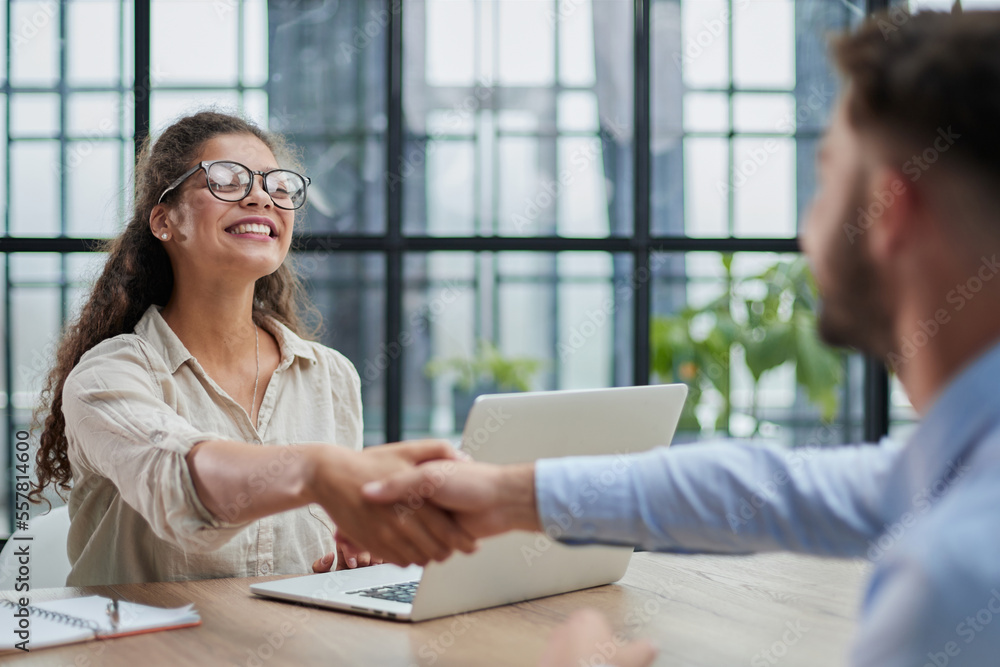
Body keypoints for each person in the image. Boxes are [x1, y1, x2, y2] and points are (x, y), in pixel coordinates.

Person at [360, 9, 1000, 667]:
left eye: (828, 179)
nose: (809, 228)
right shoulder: (963, 461)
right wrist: (511, 494)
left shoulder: (955, 577)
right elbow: (778, 488)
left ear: (890, 211)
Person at [29, 111, 474, 586]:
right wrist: (318, 470)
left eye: (278, 186)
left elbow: (332, 549)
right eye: (226, 179)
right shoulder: (109, 376)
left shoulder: (331, 376)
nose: (261, 195)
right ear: (164, 220)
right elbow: (175, 484)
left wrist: (355, 563)